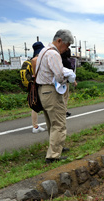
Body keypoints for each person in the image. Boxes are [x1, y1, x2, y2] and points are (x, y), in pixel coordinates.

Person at [36, 29, 74, 163]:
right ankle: (53, 155)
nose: (66, 49)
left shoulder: (43, 51)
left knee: (51, 123)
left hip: (43, 91)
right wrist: (68, 78)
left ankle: (57, 147)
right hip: (52, 91)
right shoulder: (53, 54)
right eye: (67, 45)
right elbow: (59, 75)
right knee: (59, 123)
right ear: (59, 41)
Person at [30, 42, 46, 134]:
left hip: (35, 84)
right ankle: (35, 126)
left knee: (36, 105)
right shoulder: (36, 59)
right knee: (44, 103)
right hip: (40, 84)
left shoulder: (33, 59)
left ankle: (35, 126)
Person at [61, 48, 77, 117]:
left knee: (59, 97)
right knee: (65, 97)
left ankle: (60, 111)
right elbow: (70, 74)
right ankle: (64, 111)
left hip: (57, 82)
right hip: (65, 82)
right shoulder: (68, 62)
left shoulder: (59, 60)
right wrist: (74, 82)